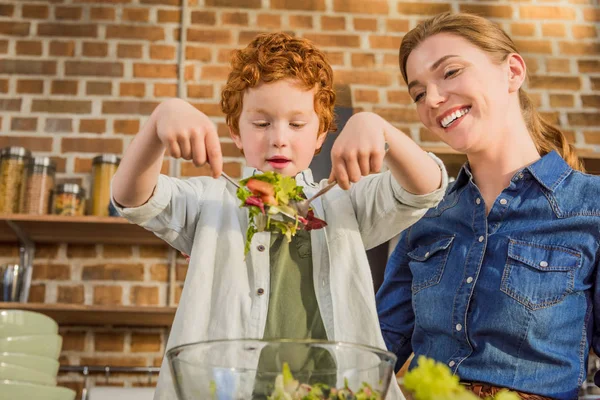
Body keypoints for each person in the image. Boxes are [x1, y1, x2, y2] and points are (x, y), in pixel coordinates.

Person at [112, 32, 447, 399]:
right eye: (261, 123)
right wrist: (158, 123)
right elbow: (132, 197)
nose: (279, 138)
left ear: (321, 134)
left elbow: (426, 188)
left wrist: (379, 128)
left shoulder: (343, 200)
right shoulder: (212, 200)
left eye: (297, 124)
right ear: (235, 132)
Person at [376, 11, 600, 400]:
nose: (432, 99)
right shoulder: (427, 215)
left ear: (512, 72)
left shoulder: (591, 204)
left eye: (449, 72)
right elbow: (376, 353)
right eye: (417, 93)